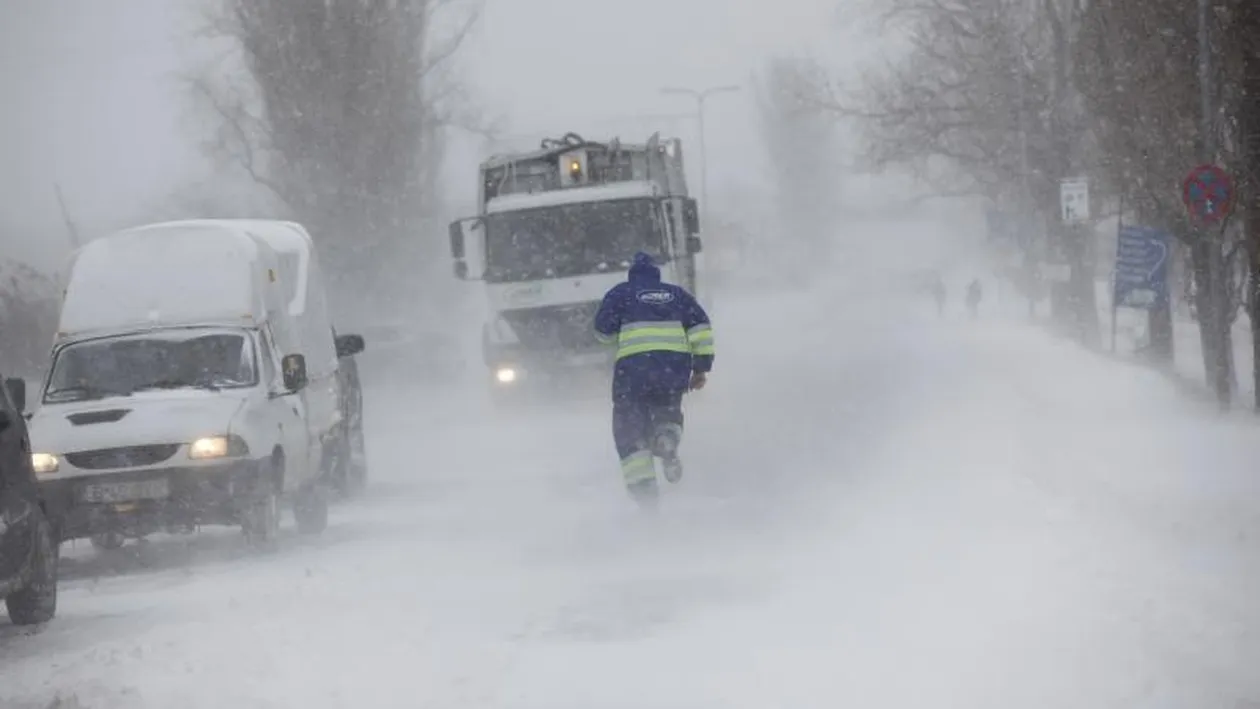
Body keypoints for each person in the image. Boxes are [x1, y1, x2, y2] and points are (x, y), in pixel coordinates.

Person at [594, 252, 714, 503]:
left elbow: (602, 331)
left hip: (633, 371)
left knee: (629, 427)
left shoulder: (620, 294)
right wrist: (701, 368)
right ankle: (667, 437)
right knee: (667, 408)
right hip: (673, 369)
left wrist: (619, 333)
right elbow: (700, 326)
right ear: (656, 275)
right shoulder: (677, 294)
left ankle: (645, 492)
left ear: (632, 275)